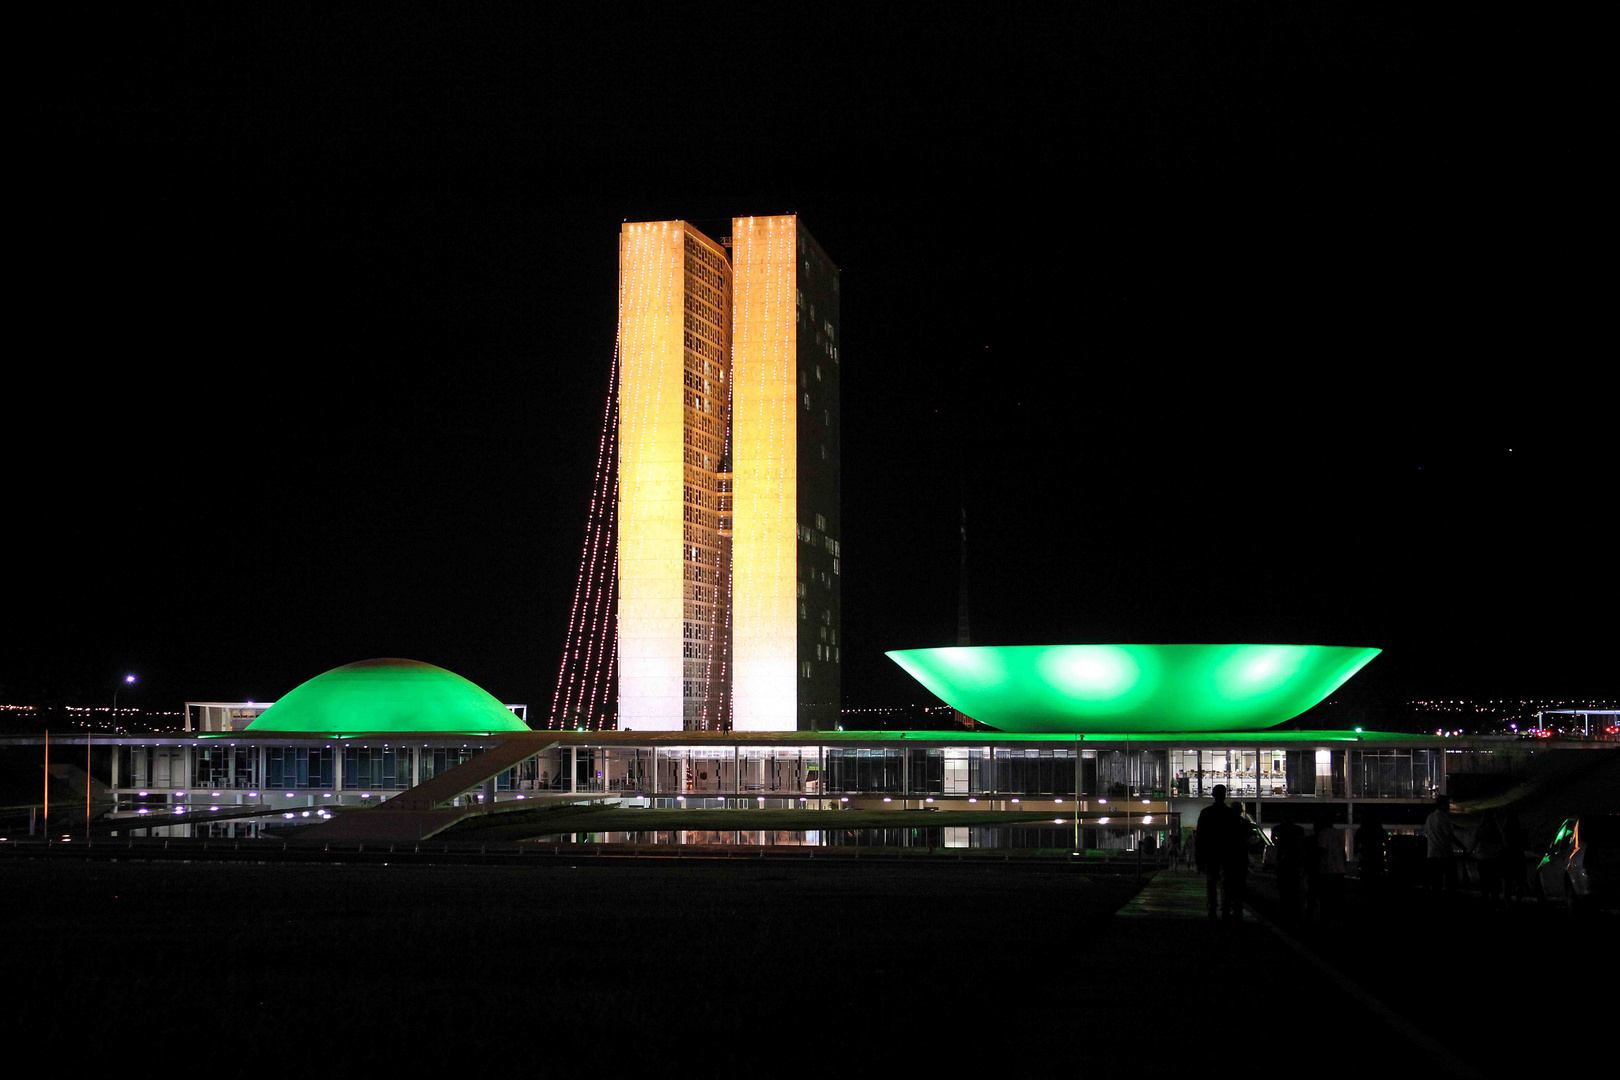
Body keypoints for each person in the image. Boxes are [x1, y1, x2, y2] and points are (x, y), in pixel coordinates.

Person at [1196, 784, 1253, 922]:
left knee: (1211, 882)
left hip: (1211, 851)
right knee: (1226, 883)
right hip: (1228, 853)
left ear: (1213, 795)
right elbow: (1236, 836)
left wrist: (1199, 858)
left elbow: (1199, 837)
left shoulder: (1206, 813)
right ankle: (1226, 908)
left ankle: (1213, 908)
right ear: (1225, 795)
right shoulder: (1230, 814)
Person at [1424, 795, 1462, 895]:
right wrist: (1462, 846)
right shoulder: (1443, 817)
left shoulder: (1430, 817)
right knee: (1452, 880)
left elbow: (1427, 832)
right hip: (1443, 854)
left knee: (1436, 883)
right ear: (1442, 804)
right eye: (1447, 804)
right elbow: (1449, 835)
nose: (1449, 806)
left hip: (1431, 854)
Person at [1273, 818, 1305, 923]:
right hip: (1294, 861)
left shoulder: (1277, 829)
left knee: (1283, 888)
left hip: (1283, 860)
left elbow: (1274, 840)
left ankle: (1285, 911)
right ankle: (1294, 912)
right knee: (1294, 888)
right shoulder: (1298, 830)